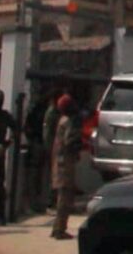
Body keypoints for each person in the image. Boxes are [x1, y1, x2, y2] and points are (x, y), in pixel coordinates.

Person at [51, 94, 82, 240]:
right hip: (65, 163)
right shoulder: (69, 121)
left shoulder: (62, 120)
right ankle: (59, 229)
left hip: (61, 161)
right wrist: (79, 144)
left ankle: (57, 227)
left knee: (62, 197)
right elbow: (69, 141)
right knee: (65, 198)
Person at [0, 90, 16, 225]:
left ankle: (1, 215)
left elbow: (16, 129)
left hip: (0, 151)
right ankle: (1, 216)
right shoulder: (5, 116)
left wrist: (7, 143)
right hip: (0, 150)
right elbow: (16, 129)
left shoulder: (5, 116)